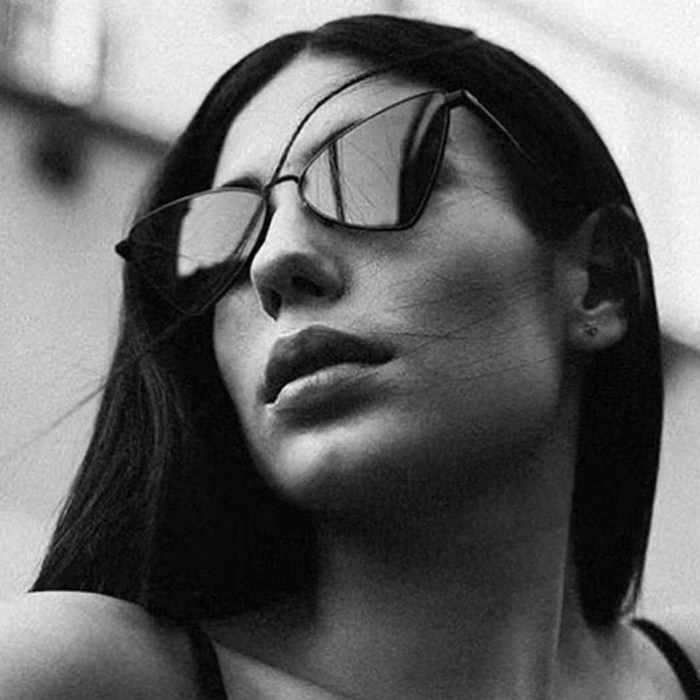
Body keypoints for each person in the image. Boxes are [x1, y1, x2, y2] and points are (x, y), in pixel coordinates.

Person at [1, 13, 698, 700]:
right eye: (225, 235)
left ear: (599, 280)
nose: (272, 261)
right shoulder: (76, 677)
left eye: (373, 167)